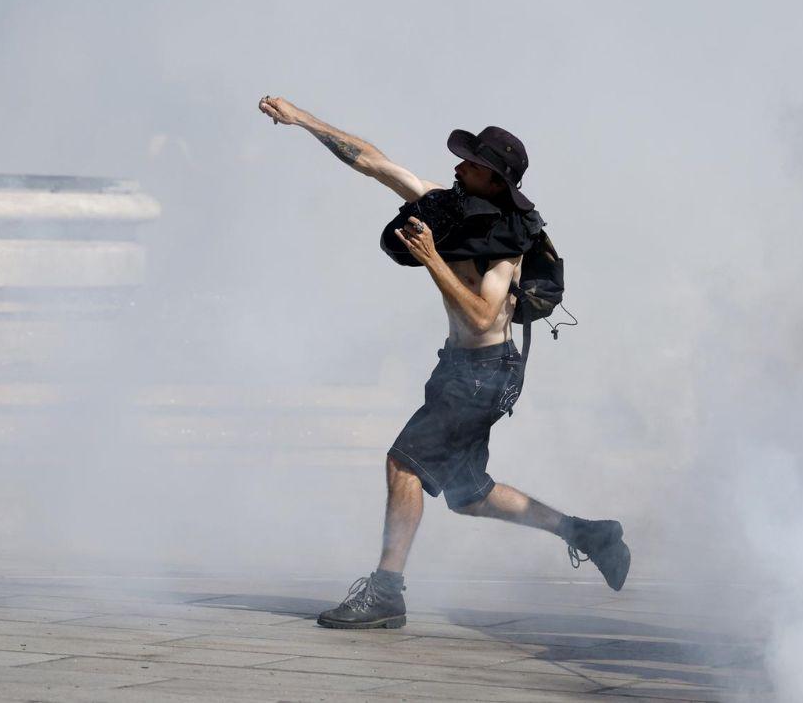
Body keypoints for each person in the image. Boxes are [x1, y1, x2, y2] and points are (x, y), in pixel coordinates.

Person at [257, 95, 631, 630]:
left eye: (472, 164)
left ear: (496, 181)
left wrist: (433, 258)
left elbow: (482, 318)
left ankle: (386, 591)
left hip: (484, 372)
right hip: (460, 369)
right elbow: (373, 161)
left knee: (404, 462)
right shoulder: (448, 206)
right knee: (468, 494)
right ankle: (586, 533)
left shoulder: (507, 243)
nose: (458, 167)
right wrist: (303, 120)